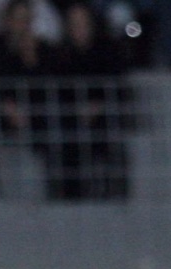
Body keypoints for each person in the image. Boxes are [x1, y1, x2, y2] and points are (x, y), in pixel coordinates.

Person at [0, 0, 60, 202]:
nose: (22, 26)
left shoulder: (44, 50)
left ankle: (61, 190)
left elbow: (53, 89)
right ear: (7, 21)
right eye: (18, 20)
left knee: (60, 125)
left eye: (26, 20)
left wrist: (32, 61)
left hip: (36, 115)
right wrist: (3, 105)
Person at [53, 0, 131, 200]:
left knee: (108, 140)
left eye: (83, 23)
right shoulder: (60, 55)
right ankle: (71, 196)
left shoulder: (109, 50)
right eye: (74, 24)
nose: (79, 29)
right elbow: (56, 91)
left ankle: (112, 195)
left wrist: (99, 104)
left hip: (105, 119)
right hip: (70, 122)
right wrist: (76, 110)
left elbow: (119, 86)